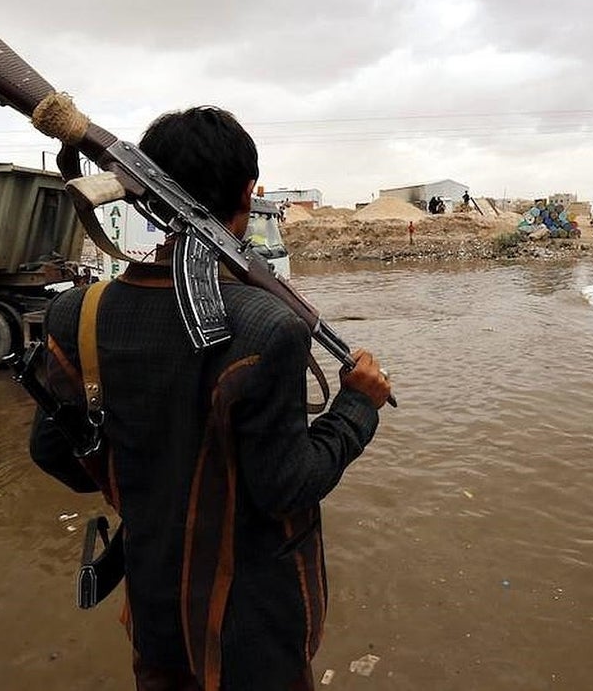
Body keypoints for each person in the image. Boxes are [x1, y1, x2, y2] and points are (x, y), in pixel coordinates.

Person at [30, 106, 392, 691]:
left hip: (153, 600)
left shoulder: (77, 312)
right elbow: (288, 486)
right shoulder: (268, 328)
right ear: (249, 191)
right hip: (256, 623)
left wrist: (145, 479)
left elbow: (54, 454)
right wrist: (357, 406)